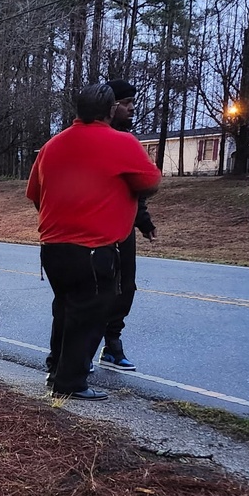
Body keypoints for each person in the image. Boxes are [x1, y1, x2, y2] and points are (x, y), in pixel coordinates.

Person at [26, 83, 161, 400]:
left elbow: (34, 193)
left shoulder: (52, 146)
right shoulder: (121, 142)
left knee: (66, 307)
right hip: (93, 249)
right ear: (110, 110)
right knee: (91, 315)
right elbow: (151, 181)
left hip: (53, 248)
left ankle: (56, 369)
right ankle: (70, 383)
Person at [100, 78, 158, 371]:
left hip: (124, 230)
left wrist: (144, 222)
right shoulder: (98, 139)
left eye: (133, 103)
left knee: (126, 287)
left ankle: (112, 344)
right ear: (111, 107)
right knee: (96, 288)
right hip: (96, 228)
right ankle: (80, 350)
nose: (132, 109)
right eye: (126, 104)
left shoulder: (128, 141)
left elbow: (137, 188)